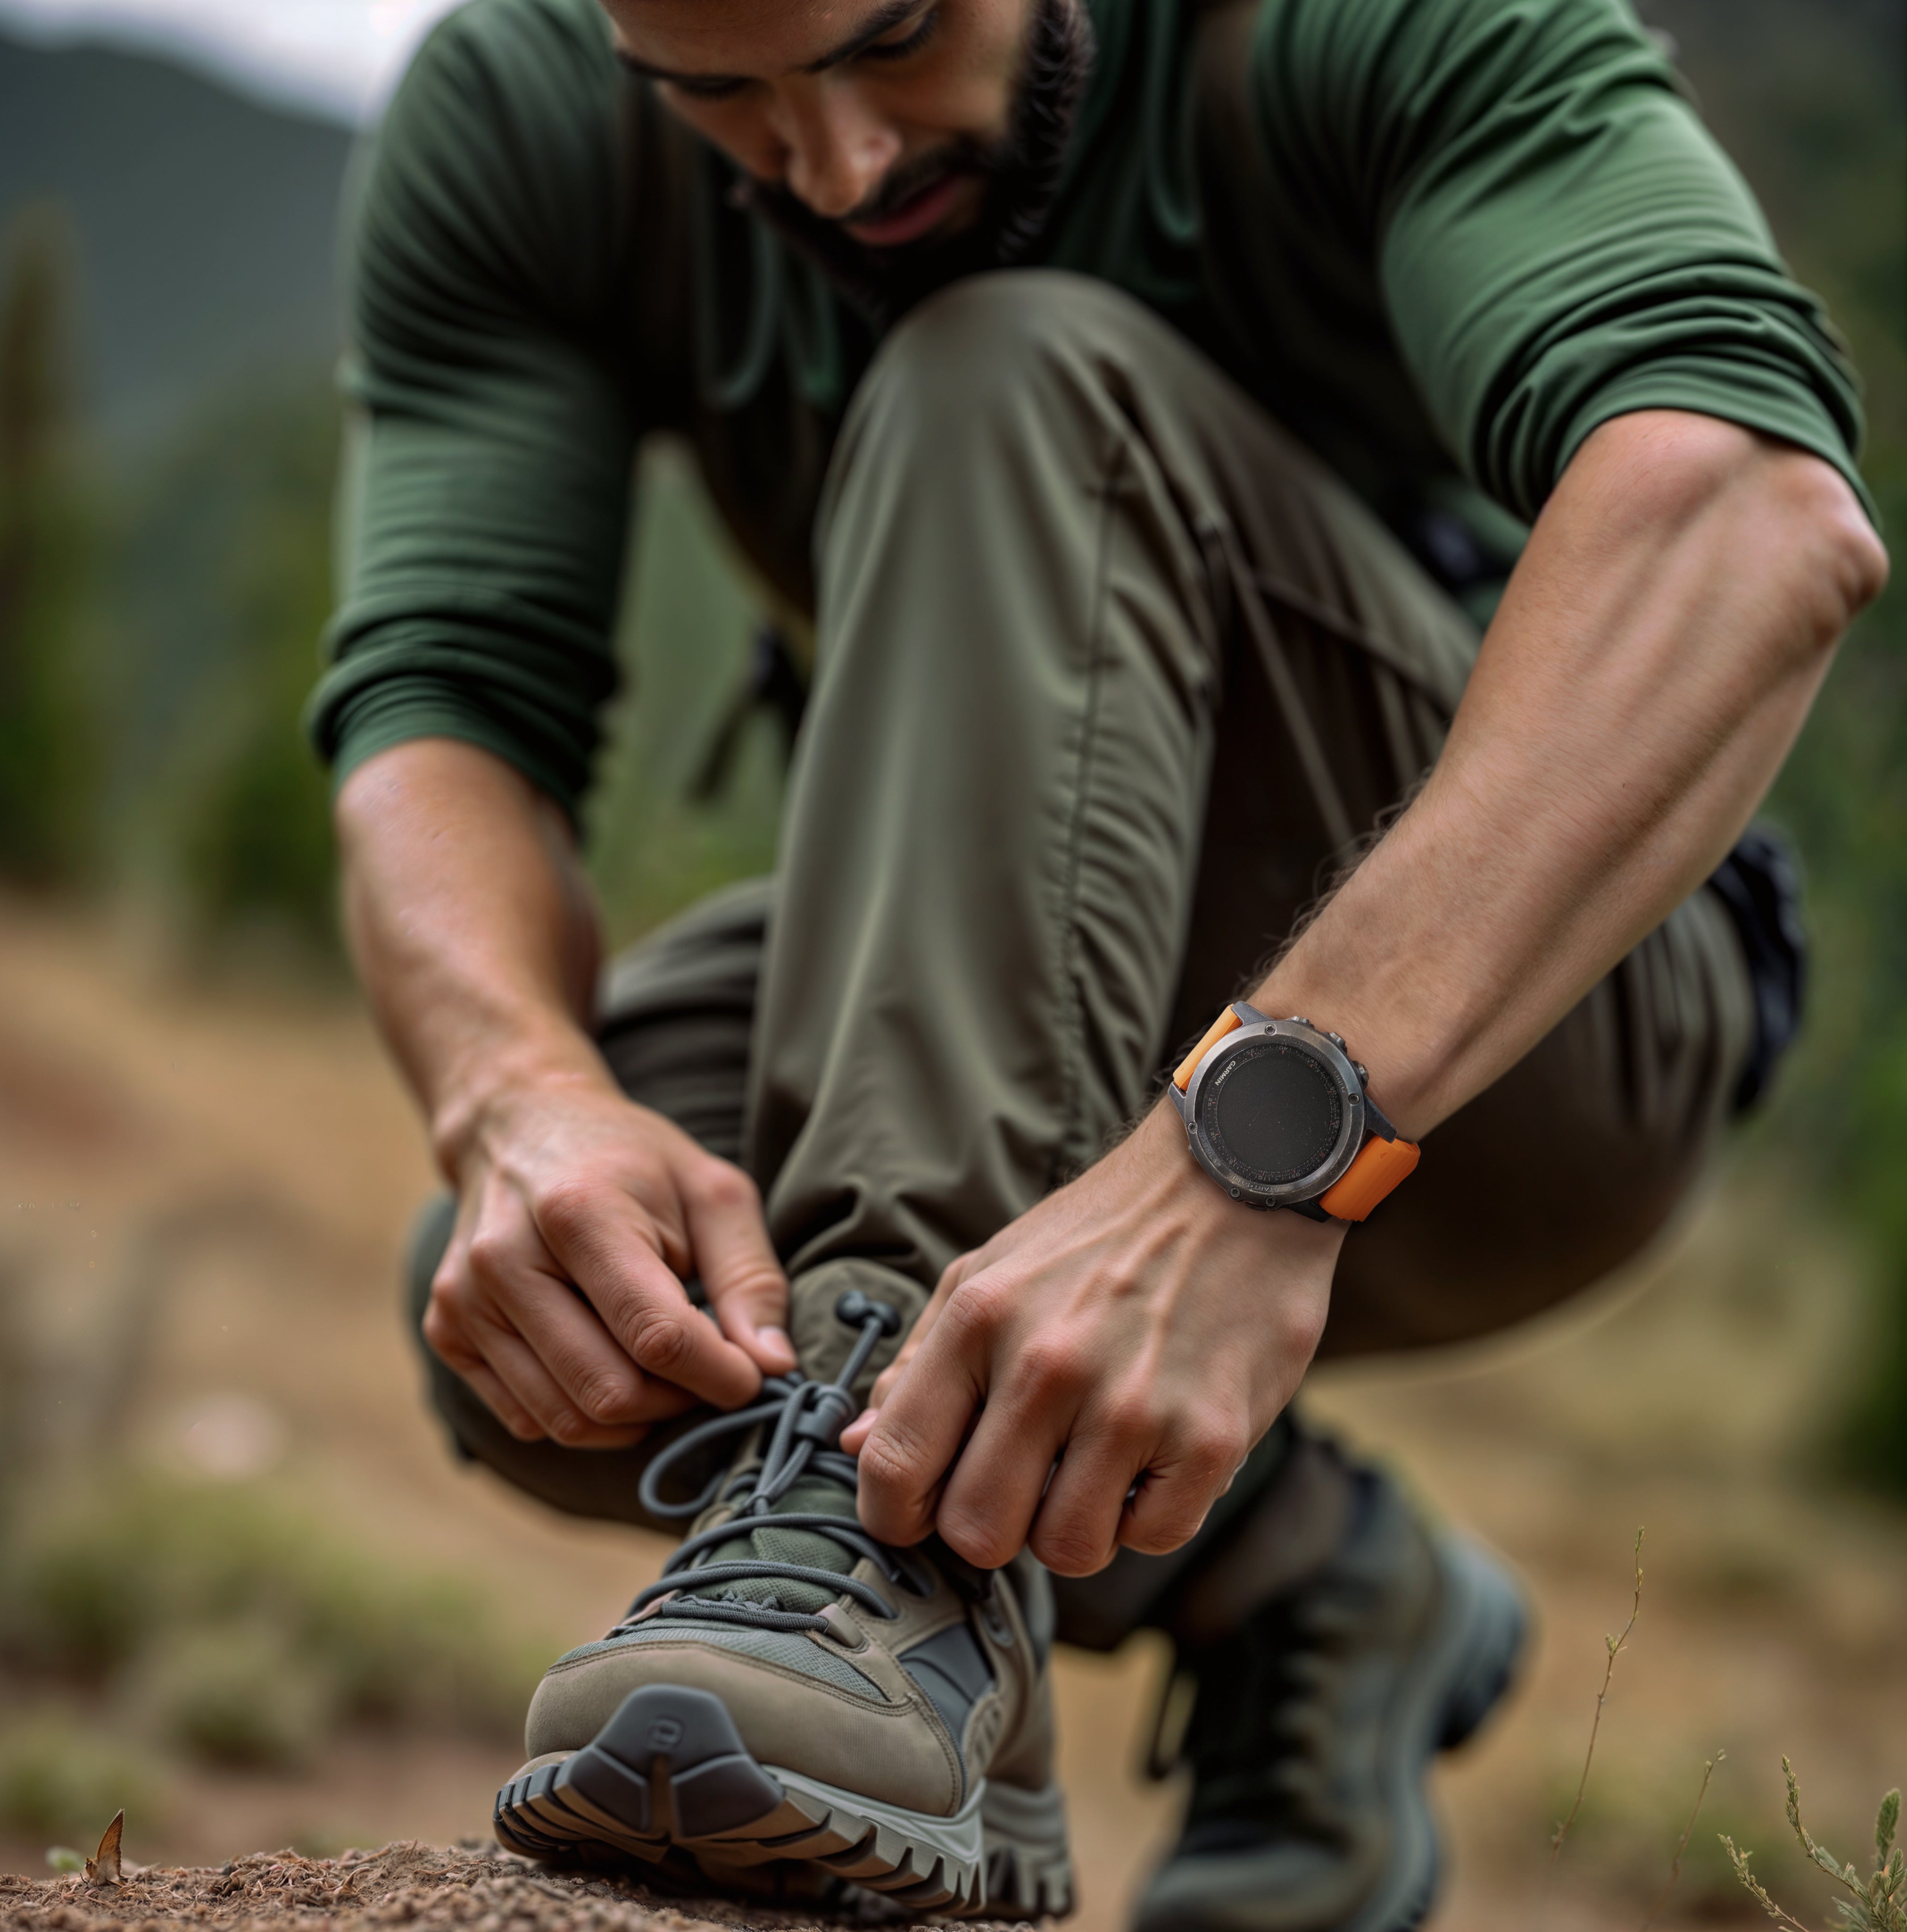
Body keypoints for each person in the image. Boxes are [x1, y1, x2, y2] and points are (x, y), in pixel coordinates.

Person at [308, 0, 1886, 1922]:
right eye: (716, 97)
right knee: (557, 1309)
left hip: (1531, 1033)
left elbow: (1744, 507)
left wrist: (1263, 1148)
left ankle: (898, 1585)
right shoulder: (522, 108)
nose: (840, 164)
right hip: (1008, 959)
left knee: (1007, 368)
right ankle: (1299, 1570)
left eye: (896, 41)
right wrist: (519, 1104)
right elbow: (444, 701)